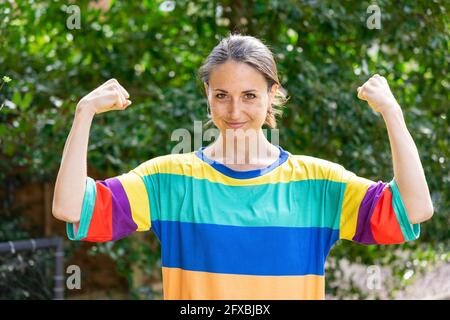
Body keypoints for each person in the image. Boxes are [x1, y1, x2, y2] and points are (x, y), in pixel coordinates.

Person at [52, 34, 434, 300]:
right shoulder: (168, 179)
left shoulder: (319, 184)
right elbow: (71, 208)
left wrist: (392, 113)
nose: (234, 112)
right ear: (208, 97)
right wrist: (83, 112)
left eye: (250, 95)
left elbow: (414, 210)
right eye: (222, 96)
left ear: (273, 95)